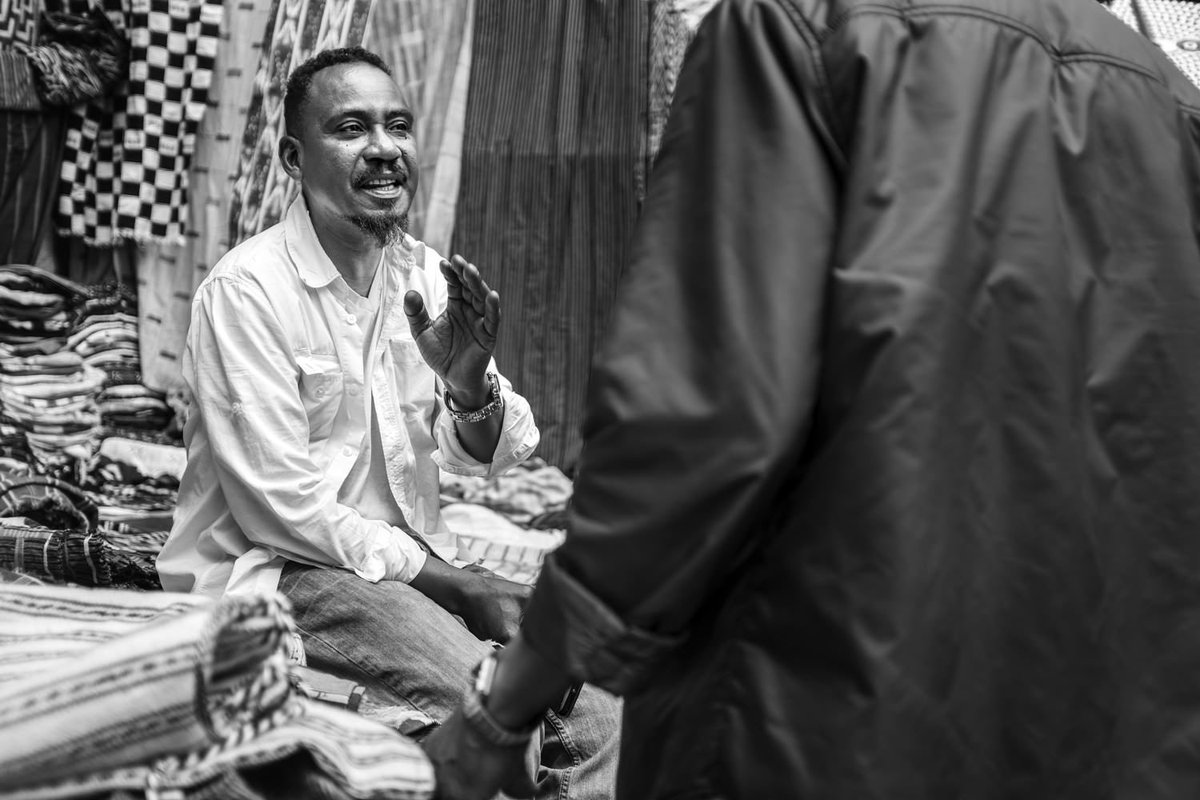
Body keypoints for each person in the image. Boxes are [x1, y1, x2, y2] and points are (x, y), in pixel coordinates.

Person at [422, 0, 1200, 798]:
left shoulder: (801, 29)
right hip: (1094, 728)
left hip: (820, 712)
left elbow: (700, 423)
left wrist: (504, 707)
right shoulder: (1165, 97)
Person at [155, 46, 620, 800]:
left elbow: (495, 456)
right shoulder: (247, 292)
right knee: (497, 707)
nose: (384, 149)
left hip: (405, 567)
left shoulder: (423, 275)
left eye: (397, 126)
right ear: (294, 157)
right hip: (288, 572)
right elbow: (286, 512)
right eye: (351, 128)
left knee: (601, 705)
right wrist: (459, 585)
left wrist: (469, 384)